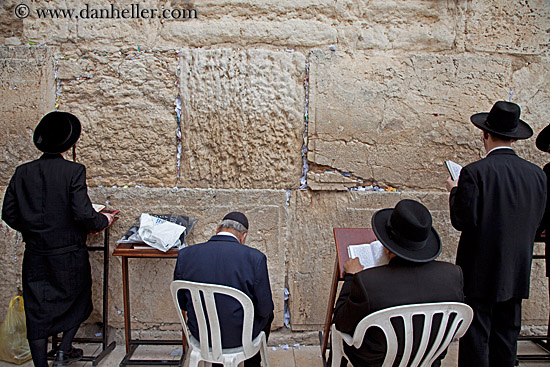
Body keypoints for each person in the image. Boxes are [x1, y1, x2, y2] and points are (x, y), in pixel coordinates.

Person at [1, 111, 115, 367]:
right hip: (68, 254)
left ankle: (41, 363)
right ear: (69, 143)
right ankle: (63, 350)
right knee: (77, 301)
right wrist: (103, 220)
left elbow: (8, 213)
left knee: (37, 309)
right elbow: (83, 213)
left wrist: (33, 228)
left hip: (36, 254)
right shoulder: (73, 171)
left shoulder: (22, 172)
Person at [446, 100, 547, 367]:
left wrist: (455, 190)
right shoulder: (537, 175)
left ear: (485, 134)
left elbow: (462, 220)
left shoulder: (475, 172)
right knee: (507, 336)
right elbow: (538, 220)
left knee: (476, 336)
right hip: (516, 270)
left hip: (479, 270)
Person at [333, 199, 464, 367]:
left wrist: (351, 276)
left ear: (387, 248)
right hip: (429, 356)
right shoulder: (453, 276)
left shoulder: (367, 282)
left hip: (378, 360)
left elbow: (342, 322)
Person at [173, 212, 274, 367]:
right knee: (268, 314)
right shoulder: (255, 258)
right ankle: (252, 363)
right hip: (239, 336)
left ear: (217, 230)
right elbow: (265, 307)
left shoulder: (186, 255)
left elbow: (182, 302)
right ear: (243, 236)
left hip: (202, 334)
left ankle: (216, 362)